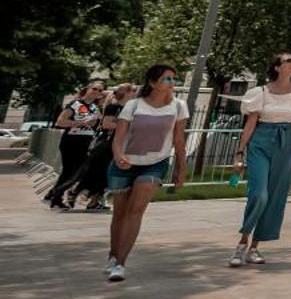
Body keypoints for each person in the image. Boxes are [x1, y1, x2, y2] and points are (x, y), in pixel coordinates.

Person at [105, 65, 189, 282]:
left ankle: (121, 263)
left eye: (173, 79)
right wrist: (118, 155)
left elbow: (179, 141)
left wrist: (181, 170)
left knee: (136, 211)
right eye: (166, 79)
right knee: (120, 214)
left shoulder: (179, 106)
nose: (172, 83)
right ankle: (113, 254)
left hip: (155, 163)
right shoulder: (134, 105)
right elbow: (119, 137)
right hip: (125, 163)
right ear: (152, 83)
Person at [230, 53, 291, 266]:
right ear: (277, 67)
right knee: (259, 194)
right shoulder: (260, 92)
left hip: (286, 141)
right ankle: (242, 243)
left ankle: (255, 247)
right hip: (261, 140)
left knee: (276, 195)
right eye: (288, 61)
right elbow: (250, 123)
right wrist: (240, 152)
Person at [45, 80, 106, 210]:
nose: (97, 92)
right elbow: (60, 122)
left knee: (76, 171)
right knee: (71, 172)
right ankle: (56, 197)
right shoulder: (75, 104)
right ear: (87, 89)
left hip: (85, 141)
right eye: (94, 89)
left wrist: (94, 123)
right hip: (71, 141)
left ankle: (53, 194)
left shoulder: (95, 108)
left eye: (100, 90)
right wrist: (80, 123)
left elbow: (95, 124)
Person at [77, 83, 136, 212]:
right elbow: (106, 124)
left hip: (117, 143)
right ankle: (79, 192)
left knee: (105, 174)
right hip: (107, 143)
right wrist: (127, 127)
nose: (135, 93)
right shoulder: (114, 107)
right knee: (100, 171)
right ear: (126, 93)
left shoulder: (127, 108)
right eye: (133, 91)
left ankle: (94, 200)